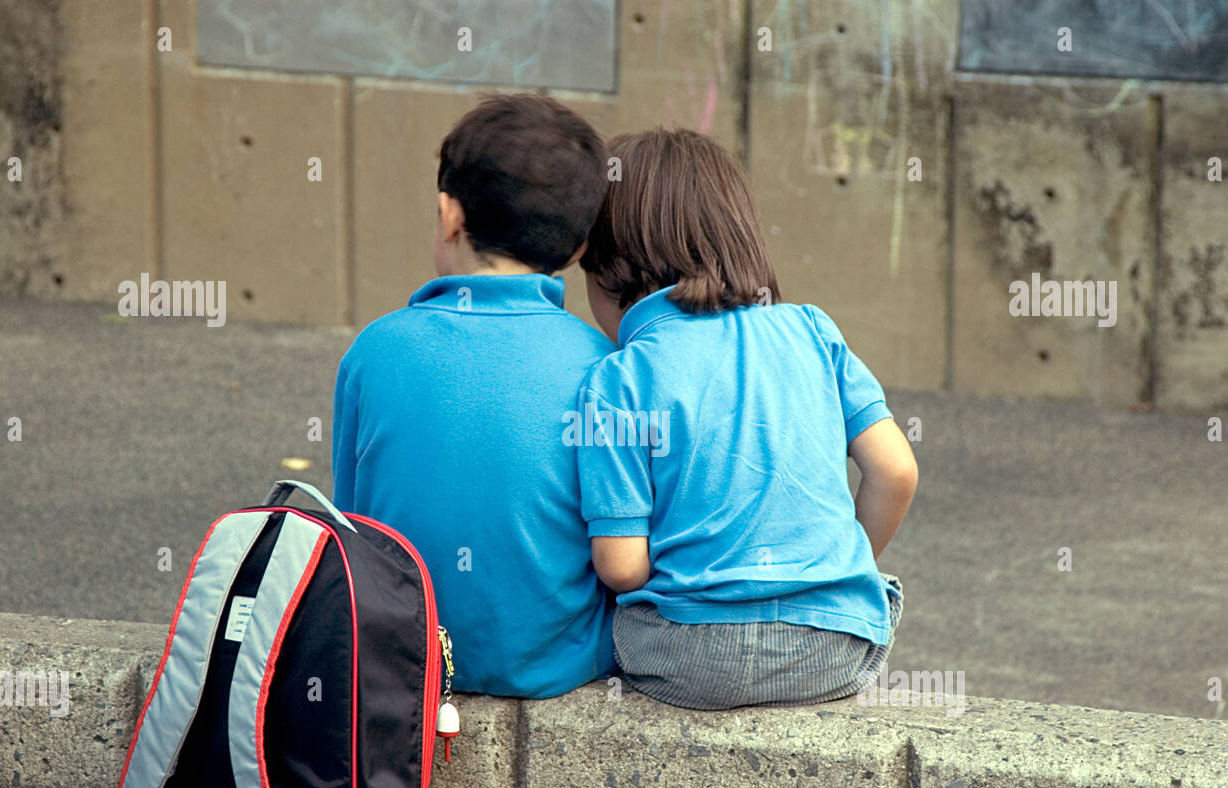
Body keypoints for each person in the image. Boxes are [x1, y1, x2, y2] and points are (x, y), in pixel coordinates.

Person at [574, 128, 918, 710]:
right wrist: (829, 569)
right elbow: (896, 473)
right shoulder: (813, 330)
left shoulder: (618, 379)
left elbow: (623, 567)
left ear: (609, 268)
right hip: (832, 650)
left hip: (690, 660)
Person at [332, 94, 616, 697]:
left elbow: (350, 526)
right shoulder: (607, 368)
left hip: (397, 657)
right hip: (555, 669)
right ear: (577, 250)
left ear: (449, 215)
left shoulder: (374, 351)